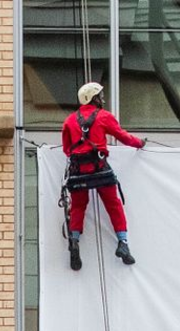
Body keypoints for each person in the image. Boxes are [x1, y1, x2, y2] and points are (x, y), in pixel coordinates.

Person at [61, 81, 145, 271]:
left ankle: (74, 242)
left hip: (78, 172)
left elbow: (67, 149)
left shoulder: (69, 120)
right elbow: (122, 136)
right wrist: (140, 143)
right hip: (99, 170)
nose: (103, 99)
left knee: (78, 207)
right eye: (100, 95)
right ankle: (123, 243)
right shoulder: (104, 117)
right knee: (113, 205)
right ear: (94, 98)